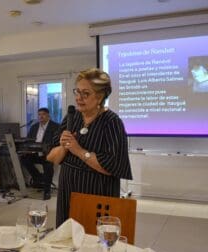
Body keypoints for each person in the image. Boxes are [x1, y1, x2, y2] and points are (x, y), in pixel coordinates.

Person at [47, 68, 132, 227]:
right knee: (67, 238)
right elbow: (51, 156)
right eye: (77, 92)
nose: (79, 98)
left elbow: (113, 166)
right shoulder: (72, 117)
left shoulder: (112, 122)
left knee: (93, 241)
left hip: (97, 195)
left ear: (99, 96)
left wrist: (78, 150)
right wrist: (65, 147)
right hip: (67, 193)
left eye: (85, 93)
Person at [21, 108, 59, 200]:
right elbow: (28, 139)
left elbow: (57, 142)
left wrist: (49, 149)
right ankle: (38, 177)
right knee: (23, 158)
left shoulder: (56, 126)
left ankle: (47, 191)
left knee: (48, 166)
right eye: (39, 115)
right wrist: (27, 148)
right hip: (35, 152)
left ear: (48, 116)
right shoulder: (34, 126)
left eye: (43, 114)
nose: (41, 116)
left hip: (47, 153)